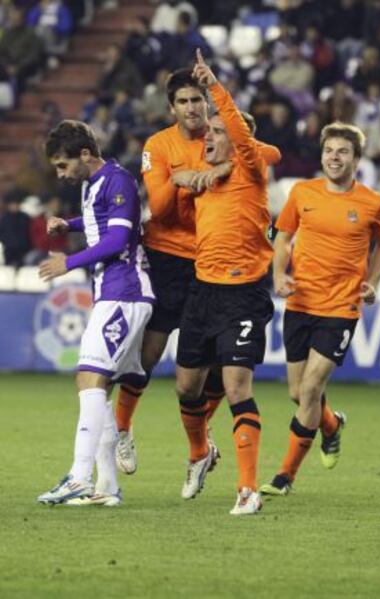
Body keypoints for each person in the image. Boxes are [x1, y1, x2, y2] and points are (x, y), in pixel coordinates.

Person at [114, 66, 281, 477]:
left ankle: (200, 440)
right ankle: (122, 428)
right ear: (171, 108)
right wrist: (190, 178)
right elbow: (163, 207)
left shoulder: (225, 141)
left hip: (214, 268)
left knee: (213, 369)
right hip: (169, 257)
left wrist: (222, 169)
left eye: (197, 101)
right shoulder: (160, 145)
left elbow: (269, 153)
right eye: (184, 102)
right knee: (150, 353)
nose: (192, 109)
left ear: (207, 105)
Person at [260, 121, 380, 497]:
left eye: (343, 152)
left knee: (312, 387)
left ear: (357, 158)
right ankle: (331, 425)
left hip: (341, 306)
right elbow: (282, 236)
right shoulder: (302, 192)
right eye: (329, 151)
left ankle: (284, 477)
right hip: (300, 301)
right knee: (298, 393)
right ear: (322, 155)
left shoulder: (373, 202)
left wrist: (374, 281)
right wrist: (280, 274)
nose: (335, 158)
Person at [174, 50, 276, 516]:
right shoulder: (206, 175)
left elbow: (243, 134)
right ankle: (200, 453)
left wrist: (214, 85)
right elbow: (175, 173)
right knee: (187, 389)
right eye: (207, 132)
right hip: (202, 289)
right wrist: (201, 172)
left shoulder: (252, 168)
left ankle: (248, 489)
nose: (208, 136)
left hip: (243, 293)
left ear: (238, 142)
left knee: (237, 388)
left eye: (216, 132)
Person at [36, 120, 155, 506]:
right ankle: (107, 488)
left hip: (125, 293)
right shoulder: (93, 184)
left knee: (89, 377)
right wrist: (67, 225)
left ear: (84, 154)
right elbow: (97, 221)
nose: (61, 174)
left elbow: (119, 239)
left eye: (62, 165)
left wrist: (68, 261)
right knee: (98, 386)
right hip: (113, 292)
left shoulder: (118, 181)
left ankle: (79, 477)